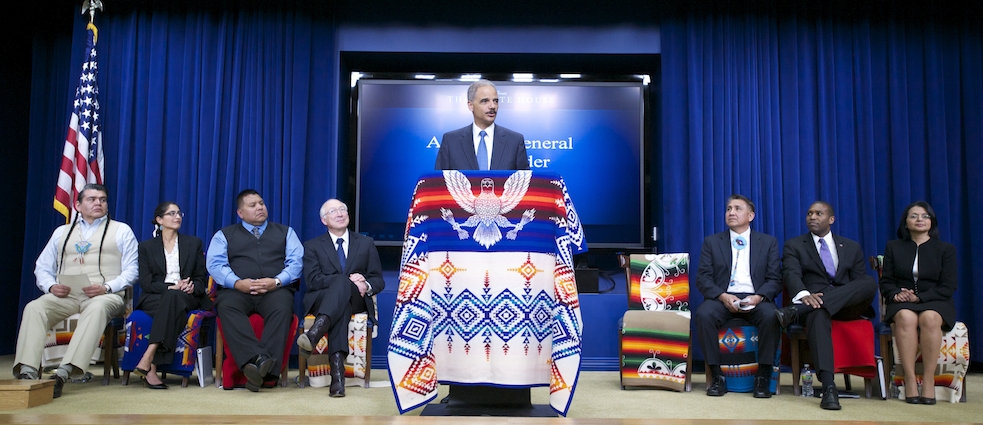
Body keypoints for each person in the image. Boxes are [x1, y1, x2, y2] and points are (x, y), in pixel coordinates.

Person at [13, 183, 138, 398]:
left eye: (102, 199)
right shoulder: (61, 232)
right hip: (67, 295)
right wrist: (51, 286)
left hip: (105, 296)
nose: (98, 203)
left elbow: (132, 270)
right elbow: (42, 267)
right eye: (92, 199)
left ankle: (63, 372)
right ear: (78, 205)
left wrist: (106, 287)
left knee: (97, 307)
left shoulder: (122, 230)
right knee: (34, 308)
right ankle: (28, 372)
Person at [777, 201, 877, 410]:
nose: (812, 217)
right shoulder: (794, 245)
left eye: (818, 213)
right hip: (812, 305)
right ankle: (829, 387)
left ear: (831, 219)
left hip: (848, 307)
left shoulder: (850, 246)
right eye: (809, 213)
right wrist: (804, 296)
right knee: (818, 313)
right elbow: (791, 275)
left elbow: (860, 284)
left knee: (869, 282)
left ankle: (797, 312)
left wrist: (828, 297)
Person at [206, 189, 303, 392]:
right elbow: (215, 265)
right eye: (252, 205)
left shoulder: (287, 232)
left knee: (283, 308)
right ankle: (261, 362)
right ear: (240, 213)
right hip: (237, 290)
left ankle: (261, 371)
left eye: (261, 203)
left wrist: (276, 281)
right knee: (226, 306)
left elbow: (296, 264)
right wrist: (237, 282)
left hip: (274, 290)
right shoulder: (224, 235)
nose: (260, 207)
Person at [694, 194, 782, 398]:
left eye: (737, 208)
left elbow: (775, 279)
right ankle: (717, 377)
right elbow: (703, 278)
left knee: (771, 316)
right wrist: (722, 296)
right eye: (728, 209)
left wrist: (758, 296)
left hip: (756, 298)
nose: (731, 212)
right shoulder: (712, 242)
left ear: (751, 215)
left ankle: (763, 377)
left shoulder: (768, 242)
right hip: (723, 298)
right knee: (704, 315)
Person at [299, 199, 385, 397]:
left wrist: (366, 284)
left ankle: (314, 334)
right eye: (333, 211)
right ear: (323, 220)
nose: (339, 214)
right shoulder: (312, 246)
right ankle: (338, 379)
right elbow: (312, 280)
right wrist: (345, 281)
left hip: (357, 298)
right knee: (341, 299)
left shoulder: (365, 243)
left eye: (342, 210)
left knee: (344, 294)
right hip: (322, 298)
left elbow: (378, 280)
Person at [880, 201, 957, 405]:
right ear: (905, 223)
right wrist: (895, 294)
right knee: (905, 316)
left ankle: (929, 380)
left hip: (935, 301)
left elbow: (948, 286)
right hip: (902, 302)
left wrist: (920, 298)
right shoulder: (893, 247)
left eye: (924, 216)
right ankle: (910, 379)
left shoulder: (945, 249)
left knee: (929, 318)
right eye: (914, 216)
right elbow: (886, 281)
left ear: (932, 222)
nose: (919, 220)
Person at [132, 202, 211, 389]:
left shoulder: (193, 243)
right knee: (170, 299)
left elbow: (201, 278)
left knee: (173, 299)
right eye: (172, 213)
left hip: (186, 295)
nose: (177, 217)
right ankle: (150, 364)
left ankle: (149, 359)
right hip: (156, 295)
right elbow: (146, 282)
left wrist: (192, 287)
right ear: (159, 220)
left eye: (179, 213)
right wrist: (170, 287)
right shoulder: (146, 247)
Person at [434, 79, 530, 170]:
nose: (492, 106)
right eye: (485, 101)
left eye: (495, 101)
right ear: (470, 105)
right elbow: (438, 182)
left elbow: (525, 182)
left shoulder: (515, 141)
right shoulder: (451, 141)